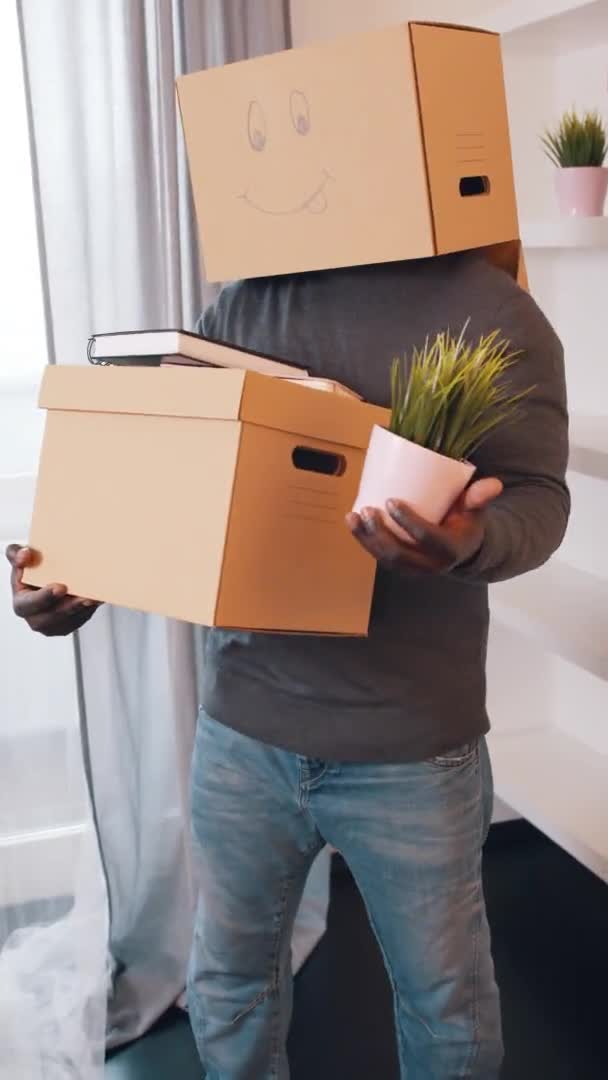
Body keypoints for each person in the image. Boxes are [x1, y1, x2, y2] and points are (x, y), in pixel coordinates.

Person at [7, 249, 569, 1079]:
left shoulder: (492, 310)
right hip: (244, 732)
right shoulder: (243, 303)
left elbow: (537, 495)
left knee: (444, 1005)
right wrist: (83, 570)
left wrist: (469, 541)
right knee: (228, 985)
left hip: (412, 748)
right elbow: (188, 484)